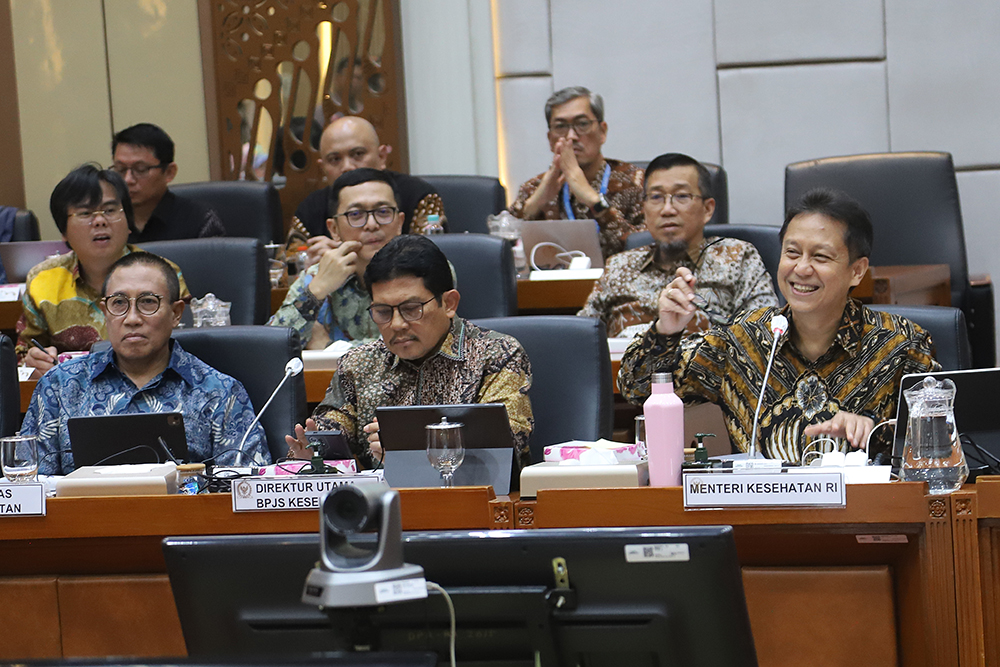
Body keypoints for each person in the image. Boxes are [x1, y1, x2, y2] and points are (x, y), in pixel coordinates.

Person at [618, 188, 940, 463]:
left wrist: (877, 433)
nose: (801, 269)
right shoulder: (743, 340)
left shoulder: (900, 345)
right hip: (760, 524)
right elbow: (635, 387)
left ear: (857, 271)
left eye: (821, 257)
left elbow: (942, 443)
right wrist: (666, 330)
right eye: (792, 253)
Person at [285, 235, 534, 469]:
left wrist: (412, 450)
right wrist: (314, 452)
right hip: (384, 507)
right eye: (383, 312)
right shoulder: (358, 364)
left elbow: (504, 446)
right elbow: (335, 427)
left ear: (448, 303)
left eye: (411, 309)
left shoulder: (496, 354)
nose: (396, 324)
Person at [21, 252, 269, 475]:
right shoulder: (59, 387)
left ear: (176, 313)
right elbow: (29, 486)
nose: (132, 318)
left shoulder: (220, 393)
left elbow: (243, 491)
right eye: (118, 303)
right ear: (104, 312)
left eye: (148, 302)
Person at [579, 153, 777, 337]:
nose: (667, 209)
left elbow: (764, 334)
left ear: (708, 209)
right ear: (644, 209)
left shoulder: (737, 257)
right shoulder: (618, 267)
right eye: (656, 197)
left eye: (681, 196)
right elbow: (583, 338)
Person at [17, 164, 189, 375]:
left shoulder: (162, 274)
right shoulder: (42, 280)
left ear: (128, 223)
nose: (99, 221)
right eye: (85, 213)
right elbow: (22, 355)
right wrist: (33, 361)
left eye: (109, 210)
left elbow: (187, 346)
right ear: (63, 231)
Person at [268, 168, 404, 349]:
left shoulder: (424, 272)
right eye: (356, 214)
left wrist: (330, 348)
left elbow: (414, 348)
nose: (372, 224)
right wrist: (316, 291)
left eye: (383, 212)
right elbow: (273, 347)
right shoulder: (317, 275)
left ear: (399, 223)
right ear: (334, 230)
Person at [508, 86, 644, 259]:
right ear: (551, 139)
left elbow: (646, 249)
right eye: (561, 126)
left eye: (582, 124)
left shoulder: (635, 182)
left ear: (602, 132)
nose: (571, 136)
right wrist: (535, 203)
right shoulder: (534, 187)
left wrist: (593, 200)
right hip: (552, 284)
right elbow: (502, 251)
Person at [289, 116, 446, 265]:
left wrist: (348, 253)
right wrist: (311, 262)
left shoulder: (419, 196)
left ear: (382, 156)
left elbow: (430, 257)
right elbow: (289, 263)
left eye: (357, 154)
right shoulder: (308, 210)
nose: (347, 167)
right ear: (323, 167)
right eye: (335, 159)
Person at [112, 123, 226, 242]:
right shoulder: (104, 221)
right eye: (120, 169)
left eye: (141, 169)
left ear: (169, 172)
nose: (127, 180)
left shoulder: (200, 220)